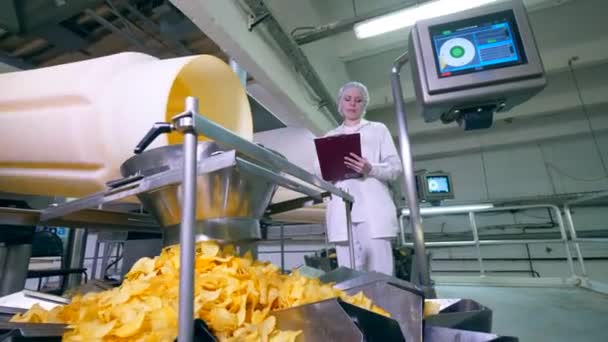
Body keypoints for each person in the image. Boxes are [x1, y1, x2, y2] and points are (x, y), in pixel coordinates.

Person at [315, 81, 402, 275]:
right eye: (348, 99)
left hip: (373, 212)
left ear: (364, 105)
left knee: (381, 275)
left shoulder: (378, 130)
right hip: (342, 214)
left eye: (358, 100)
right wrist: (327, 170)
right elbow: (319, 174)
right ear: (340, 103)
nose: (352, 104)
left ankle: (383, 306)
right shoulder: (330, 136)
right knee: (349, 277)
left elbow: (395, 168)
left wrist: (370, 168)